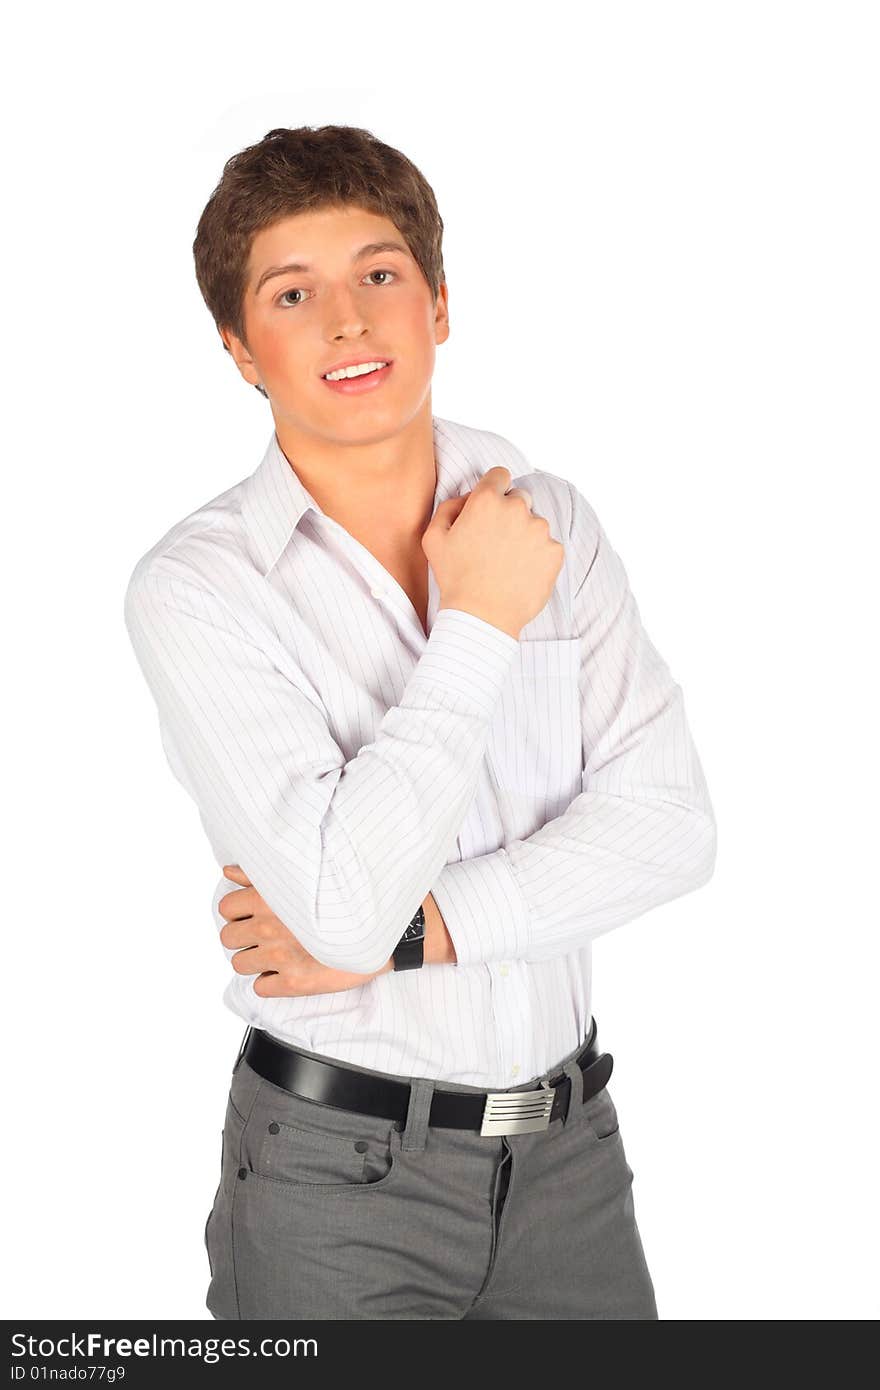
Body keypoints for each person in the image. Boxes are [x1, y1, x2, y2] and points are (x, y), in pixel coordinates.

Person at [123, 124, 717, 1321]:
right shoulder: (200, 586)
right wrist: (483, 621)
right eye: (293, 293)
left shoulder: (551, 517)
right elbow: (338, 897)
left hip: (571, 1165)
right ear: (242, 350)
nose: (347, 319)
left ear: (438, 306)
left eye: (379, 274)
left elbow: (671, 830)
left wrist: (410, 936)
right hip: (334, 1182)